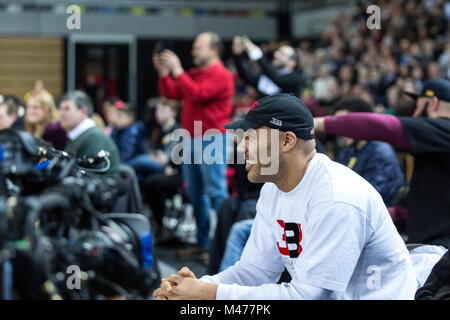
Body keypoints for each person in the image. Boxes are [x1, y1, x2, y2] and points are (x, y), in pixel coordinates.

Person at [153, 93, 421, 300]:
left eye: (250, 137)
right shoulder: (273, 188)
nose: (241, 147)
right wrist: (195, 287)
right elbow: (255, 272)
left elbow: (310, 296)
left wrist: (208, 294)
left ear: (287, 141)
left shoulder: (337, 196)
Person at [314, 79, 450, 247]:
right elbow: (413, 209)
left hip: (439, 252)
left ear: (433, 103)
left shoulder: (445, 129)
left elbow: (386, 127)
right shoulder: (436, 149)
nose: (414, 114)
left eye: (418, 106)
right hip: (427, 245)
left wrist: (320, 123)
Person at [153, 32, 234, 258]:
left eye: (198, 48)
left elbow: (198, 95)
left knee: (216, 192)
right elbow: (171, 93)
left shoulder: (222, 75)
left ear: (214, 50)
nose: (193, 51)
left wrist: (177, 71)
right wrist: (164, 73)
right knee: (196, 193)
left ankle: (227, 244)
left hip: (211, 137)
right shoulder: (195, 74)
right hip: (190, 137)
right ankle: (203, 243)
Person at [332, 96, 405, 207]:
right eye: (338, 124)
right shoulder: (347, 152)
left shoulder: (380, 152)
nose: (341, 130)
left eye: (345, 123)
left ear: (362, 122)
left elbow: (374, 197)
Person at [58, 90, 120, 177]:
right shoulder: (79, 135)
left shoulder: (94, 137)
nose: (61, 113)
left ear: (83, 112)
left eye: (67, 109)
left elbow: (90, 176)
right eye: (60, 108)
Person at [232, 36, 306, 98]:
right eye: (277, 52)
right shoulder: (269, 76)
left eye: (282, 54)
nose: (276, 55)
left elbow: (278, 80)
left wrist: (257, 54)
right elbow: (245, 76)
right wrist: (238, 55)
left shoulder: (295, 78)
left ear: (292, 63)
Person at [110, 101, 147, 165]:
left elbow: (126, 156)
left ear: (130, 118)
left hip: (134, 166)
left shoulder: (133, 131)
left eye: (120, 116)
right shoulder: (117, 130)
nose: (117, 119)